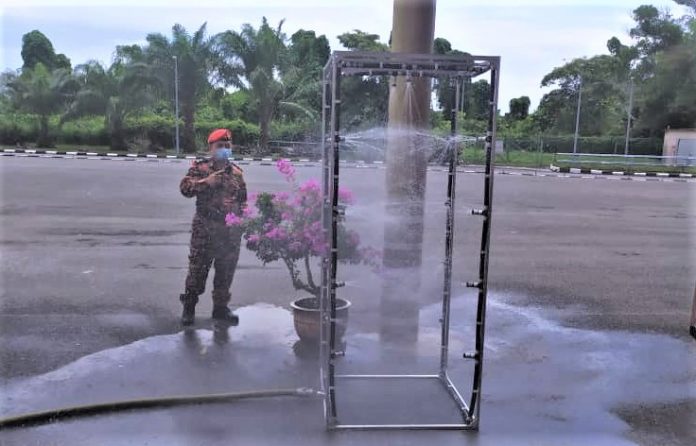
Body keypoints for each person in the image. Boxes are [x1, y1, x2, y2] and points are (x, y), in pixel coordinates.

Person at [178, 128, 246, 326]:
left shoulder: (237, 173)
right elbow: (185, 189)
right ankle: (189, 307)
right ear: (211, 148)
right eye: (220, 145)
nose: (224, 149)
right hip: (205, 229)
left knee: (225, 272)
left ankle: (220, 309)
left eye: (227, 145)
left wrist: (241, 219)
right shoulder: (201, 168)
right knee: (197, 271)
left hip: (229, 232)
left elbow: (243, 200)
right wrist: (206, 182)